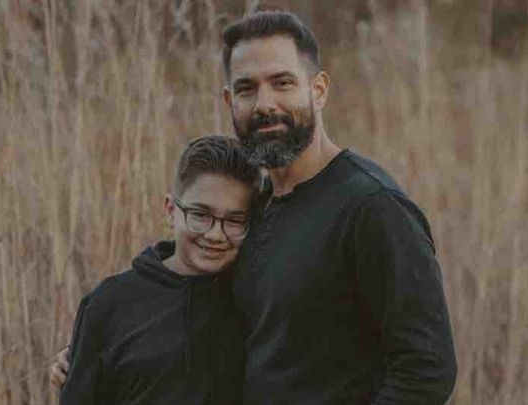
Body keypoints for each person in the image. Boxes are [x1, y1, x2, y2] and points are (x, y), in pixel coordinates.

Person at [52, 10, 457, 405]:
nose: (265, 103)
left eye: (282, 83)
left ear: (318, 90)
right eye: (247, 88)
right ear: (230, 101)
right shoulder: (255, 207)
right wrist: (100, 345)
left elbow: (427, 369)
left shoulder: (371, 206)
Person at [57, 135, 259, 405]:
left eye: (234, 220)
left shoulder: (256, 299)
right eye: (200, 215)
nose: (215, 234)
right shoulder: (109, 305)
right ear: (171, 210)